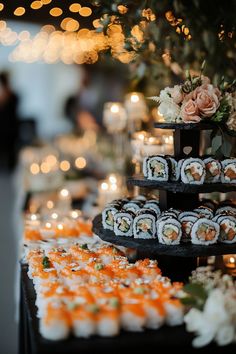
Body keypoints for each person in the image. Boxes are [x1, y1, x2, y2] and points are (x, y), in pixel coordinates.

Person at [0, 72, 19, 171]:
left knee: (10, 149)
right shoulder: (7, 95)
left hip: (10, 127)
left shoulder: (10, 95)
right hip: (6, 127)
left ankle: (11, 167)